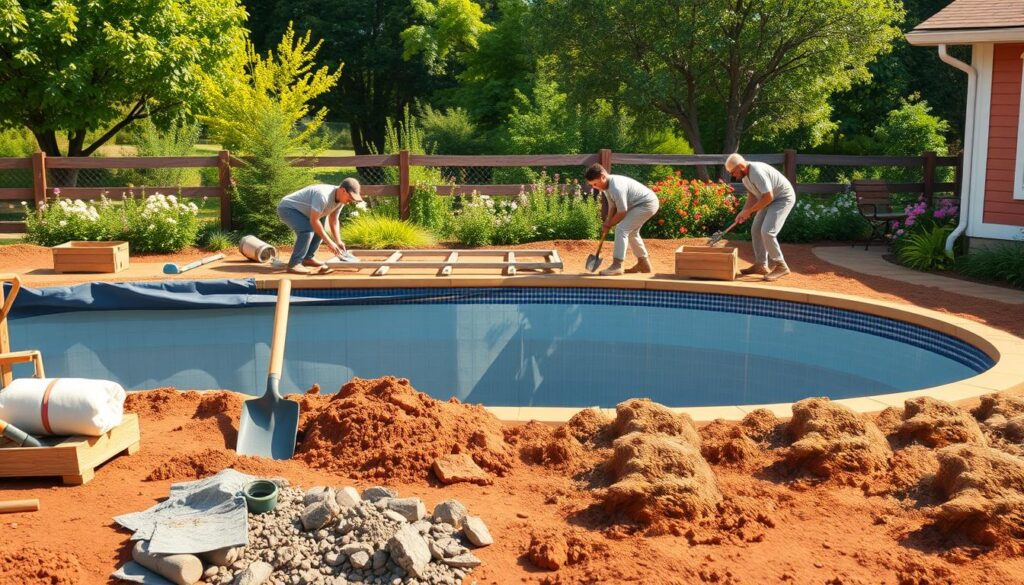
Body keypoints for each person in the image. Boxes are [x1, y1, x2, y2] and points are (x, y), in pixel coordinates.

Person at [725, 154, 796, 282]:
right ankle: (761, 265)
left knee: (767, 231)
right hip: (769, 199)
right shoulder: (745, 177)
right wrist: (744, 211)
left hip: (782, 198)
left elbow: (768, 197)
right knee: (756, 230)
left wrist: (750, 211)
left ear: (741, 166)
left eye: (733, 172)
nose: (733, 175)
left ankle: (781, 265)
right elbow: (753, 195)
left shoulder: (757, 172)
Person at [584, 163, 660, 276]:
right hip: (638, 205)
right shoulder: (606, 187)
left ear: (603, 177)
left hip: (646, 204)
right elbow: (612, 206)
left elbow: (622, 211)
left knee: (621, 229)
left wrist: (610, 224)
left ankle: (617, 265)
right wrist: (607, 222)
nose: (594, 187)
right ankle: (644, 263)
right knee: (631, 233)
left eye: (595, 183)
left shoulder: (616, 187)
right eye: (592, 185)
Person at [276, 178, 362, 275]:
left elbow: (333, 220)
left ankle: (308, 258)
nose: (350, 201)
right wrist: (329, 242)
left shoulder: (341, 200)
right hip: (288, 208)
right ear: (343, 191)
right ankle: (294, 264)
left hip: (306, 212)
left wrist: (338, 241)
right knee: (307, 231)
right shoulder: (323, 195)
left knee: (318, 231)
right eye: (350, 197)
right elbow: (314, 221)